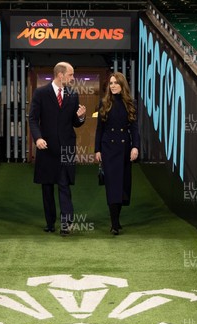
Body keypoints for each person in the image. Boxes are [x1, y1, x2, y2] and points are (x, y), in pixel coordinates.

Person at [29, 62, 87, 236]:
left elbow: (74, 123)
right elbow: (33, 119)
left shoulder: (73, 94)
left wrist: (81, 117)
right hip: (46, 147)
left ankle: (66, 223)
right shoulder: (40, 93)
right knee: (47, 187)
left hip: (67, 147)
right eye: (70, 75)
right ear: (60, 75)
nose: (72, 78)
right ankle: (50, 222)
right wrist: (38, 138)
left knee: (64, 184)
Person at [95, 72, 140, 235]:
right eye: (111, 83)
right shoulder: (104, 103)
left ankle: (117, 219)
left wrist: (135, 147)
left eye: (116, 83)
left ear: (122, 85)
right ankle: (114, 223)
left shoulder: (131, 103)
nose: (112, 85)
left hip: (124, 149)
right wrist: (97, 149)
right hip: (108, 149)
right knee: (112, 185)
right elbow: (99, 129)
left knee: (122, 185)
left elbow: (134, 128)